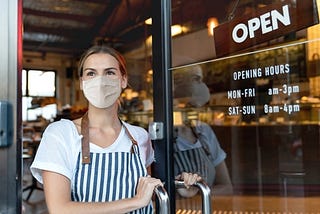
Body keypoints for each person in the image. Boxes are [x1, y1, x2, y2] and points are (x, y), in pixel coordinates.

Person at [30, 45, 200, 214]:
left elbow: (148, 193)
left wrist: (180, 186)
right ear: (82, 83)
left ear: (123, 80)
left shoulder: (139, 136)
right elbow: (60, 209)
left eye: (109, 72)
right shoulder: (61, 134)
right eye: (91, 73)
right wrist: (135, 202)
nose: (101, 81)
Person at [173, 65, 233, 197]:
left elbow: (227, 187)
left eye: (193, 108)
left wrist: (198, 194)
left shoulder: (204, 131)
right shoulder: (157, 135)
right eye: (196, 79)